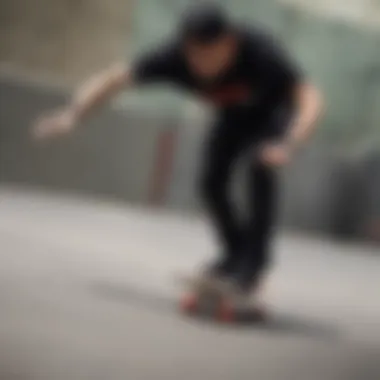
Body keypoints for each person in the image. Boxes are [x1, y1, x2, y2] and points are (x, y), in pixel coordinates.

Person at [33, 2, 323, 307]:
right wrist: (73, 115)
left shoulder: (258, 49)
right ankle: (233, 256)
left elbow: (310, 96)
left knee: (259, 165)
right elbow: (114, 79)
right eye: (193, 55)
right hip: (233, 118)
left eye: (210, 54)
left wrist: (291, 143)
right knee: (210, 183)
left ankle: (253, 267)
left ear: (230, 42)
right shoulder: (174, 58)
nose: (201, 65)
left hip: (275, 115)